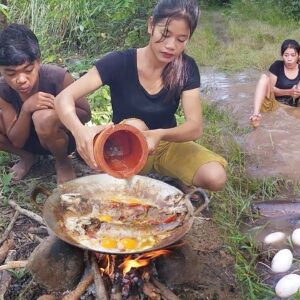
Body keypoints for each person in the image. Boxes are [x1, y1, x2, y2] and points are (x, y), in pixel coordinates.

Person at [55, 0, 227, 191]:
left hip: (167, 143)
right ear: (151, 25)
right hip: (127, 147)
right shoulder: (119, 62)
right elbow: (64, 98)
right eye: (165, 34)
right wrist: (79, 131)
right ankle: (128, 173)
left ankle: (176, 173)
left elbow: (195, 128)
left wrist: (158, 134)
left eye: (181, 39)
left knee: (215, 176)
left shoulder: (186, 68)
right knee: (135, 126)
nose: (171, 46)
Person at [0, 24, 91, 184]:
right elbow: (17, 141)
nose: (21, 79)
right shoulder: (3, 91)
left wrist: (57, 111)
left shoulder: (58, 77)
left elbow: (86, 114)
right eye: (11, 73)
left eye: (28, 70)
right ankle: (28, 157)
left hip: (62, 140)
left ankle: (63, 163)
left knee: (43, 117)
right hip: (27, 142)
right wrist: (27, 108)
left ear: (38, 62)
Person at [250, 39, 300, 128]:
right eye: (286, 55)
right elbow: (272, 89)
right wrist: (289, 92)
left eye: (293, 55)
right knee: (264, 78)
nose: (289, 59)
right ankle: (256, 115)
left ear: (298, 55)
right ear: (282, 55)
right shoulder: (277, 66)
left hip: (291, 108)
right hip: (273, 103)